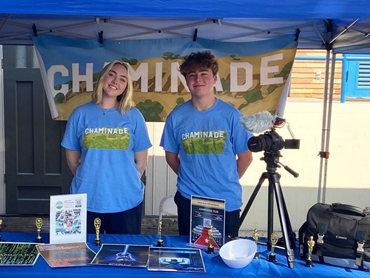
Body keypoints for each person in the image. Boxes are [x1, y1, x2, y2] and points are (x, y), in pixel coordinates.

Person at [160, 51, 253, 240]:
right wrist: (191, 178)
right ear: (186, 80)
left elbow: (246, 157)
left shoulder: (232, 116)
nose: (198, 79)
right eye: (192, 75)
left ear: (214, 79)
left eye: (204, 74)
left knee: (224, 253)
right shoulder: (176, 117)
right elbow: (171, 156)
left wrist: (224, 180)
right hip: (189, 199)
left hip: (225, 200)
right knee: (191, 252)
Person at [61, 60, 152, 234]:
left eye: (123, 79)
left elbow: (141, 161)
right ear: (103, 77)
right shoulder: (80, 114)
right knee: (84, 250)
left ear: (126, 87)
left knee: (123, 250)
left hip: (126, 200)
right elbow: (72, 157)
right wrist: (89, 178)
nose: (116, 81)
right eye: (112, 75)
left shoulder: (134, 116)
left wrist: (123, 181)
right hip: (87, 198)